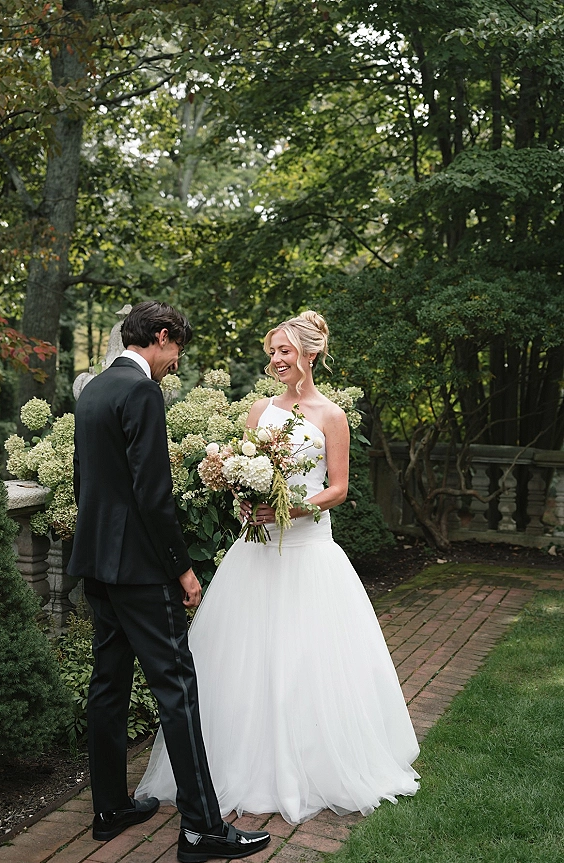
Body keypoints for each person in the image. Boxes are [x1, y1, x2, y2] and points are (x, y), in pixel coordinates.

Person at [135, 310, 420, 825]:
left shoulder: (332, 417)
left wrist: (294, 506)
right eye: (272, 351)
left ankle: (315, 763)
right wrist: (248, 503)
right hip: (256, 552)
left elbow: (337, 488)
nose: (276, 359)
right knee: (245, 660)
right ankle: (237, 764)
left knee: (307, 659)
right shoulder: (258, 413)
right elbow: (246, 475)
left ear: (309, 354)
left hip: (309, 552)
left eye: (284, 351)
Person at [67, 301, 270, 863]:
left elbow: (88, 486)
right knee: (178, 690)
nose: (176, 361)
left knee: (107, 685)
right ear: (160, 337)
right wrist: (182, 569)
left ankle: (109, 808)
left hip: (98, 565)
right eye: (176, 348)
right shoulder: (141, 393)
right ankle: (203, 829)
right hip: (140, 569)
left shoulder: (94, 392)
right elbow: (153, 497)